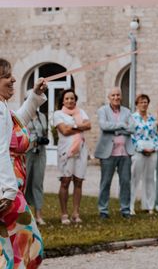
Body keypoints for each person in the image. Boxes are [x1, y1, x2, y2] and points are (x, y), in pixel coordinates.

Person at [0, 58, 47, 269]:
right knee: (27, 248)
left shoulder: (4, 109)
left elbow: (17, 122)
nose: (13, 79)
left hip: (8, 188)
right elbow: (0, 150)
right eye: (7, 76)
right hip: (6, 190)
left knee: (8, 250)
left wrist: (35, 95)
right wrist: (9, 192)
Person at [95, 87, 135, 219]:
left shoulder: (127, 111)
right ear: (109, 97)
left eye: (118, 95)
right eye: (113, 95)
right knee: (105, 182)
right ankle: (103, 210)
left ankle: (125, 210)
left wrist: (117, 129)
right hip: (108, 152)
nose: (116, 97)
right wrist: (122, 126)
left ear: (121, 96)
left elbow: (132, 128)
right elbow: (104, 126)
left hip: (125, 152)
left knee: (125, 182)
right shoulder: (103, 110)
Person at [53, 88, 91, 224]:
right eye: (67, 98)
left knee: (78, 181)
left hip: (81, 149)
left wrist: (73, 125)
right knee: (65, 181)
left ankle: (76, 213)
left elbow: (89, 125)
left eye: (72, 98)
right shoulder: (58, 114)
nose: (70, 101)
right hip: (66, 151)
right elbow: (65, 130)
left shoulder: (81, 112)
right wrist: (79, 126)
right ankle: (64, 214)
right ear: (63, 101)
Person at [130, 93, 158, 214]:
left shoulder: (152, 118)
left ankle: (149, 205)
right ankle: (130, 206)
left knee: (150, 178)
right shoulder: (132, 118)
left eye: (145, 102)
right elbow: (131, 135)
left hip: (152, 149)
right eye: (141, 102)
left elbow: (156, 135)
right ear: (137, 104)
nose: (144, 104)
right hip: (139, 149)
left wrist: (155, 148)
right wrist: (141, 149)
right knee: (135, 178)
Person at [25, 105, 48, 226]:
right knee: (25, 182)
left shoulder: (42, 116)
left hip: (40, 151)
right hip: (27, 151)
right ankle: (25, 215)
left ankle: (39, 214)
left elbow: (44, 131)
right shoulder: (23, 115)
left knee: (38, 182)